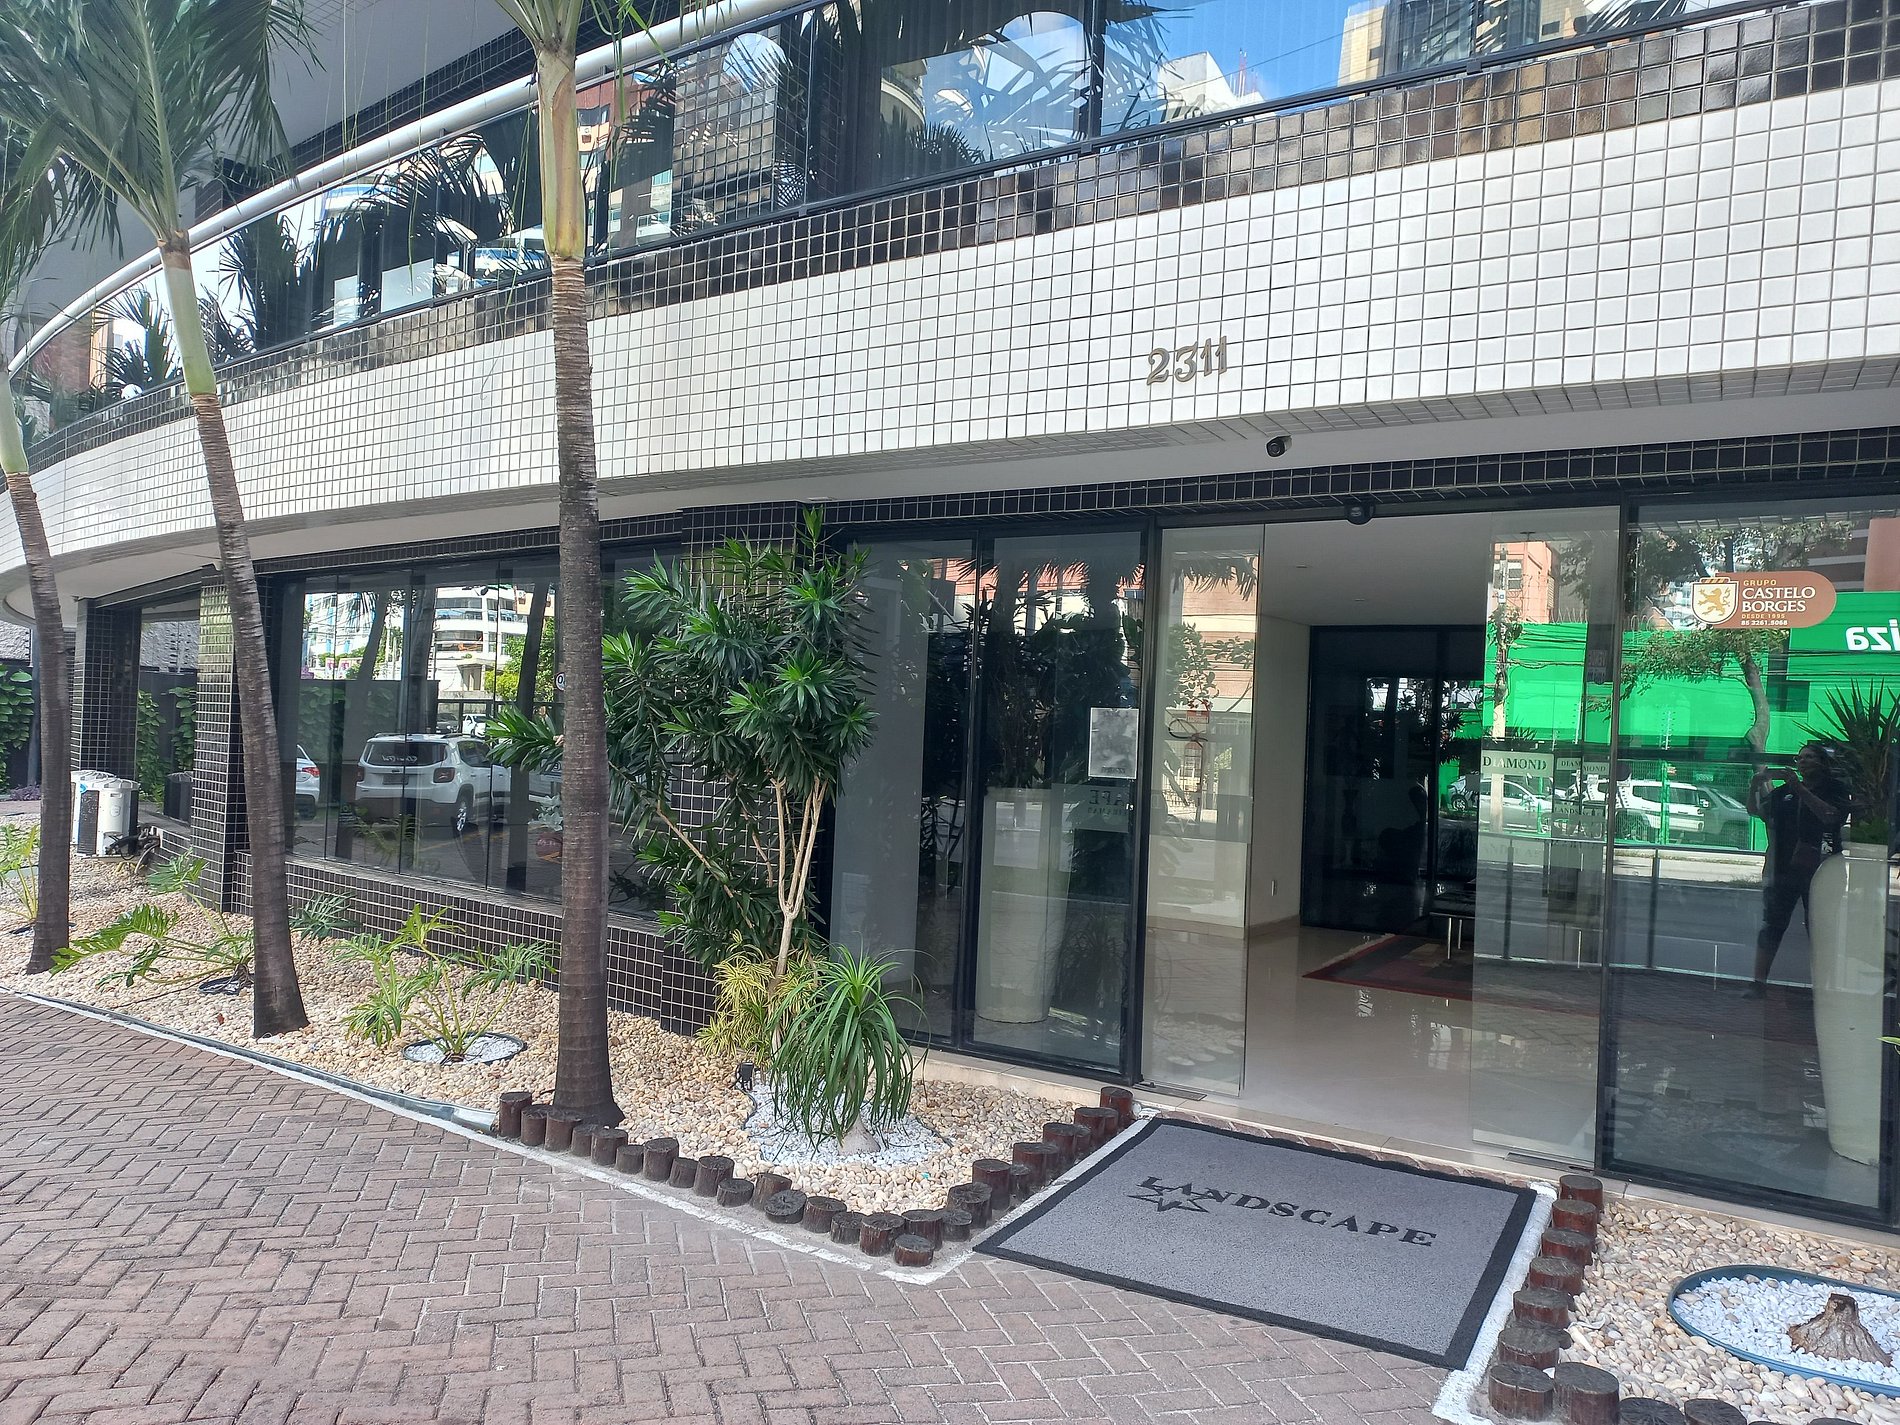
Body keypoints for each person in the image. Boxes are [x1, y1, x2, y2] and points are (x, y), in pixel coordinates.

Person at [1746, 741, 1848, 996]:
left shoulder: (1834, 789)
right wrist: (1754, 786)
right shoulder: (1784, 793)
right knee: (1772, 925)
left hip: (1822, 869)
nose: (1803, 762)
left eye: (1809, 757)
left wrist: (1799, 788)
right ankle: (1758, 983)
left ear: (1823, 763)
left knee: (1821, 929)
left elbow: (1831, 816)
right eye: (1800, 758)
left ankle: (1824, 990)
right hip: (1785, 869)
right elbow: (1757, 811)